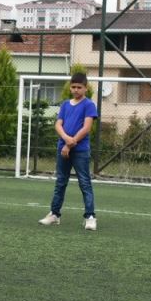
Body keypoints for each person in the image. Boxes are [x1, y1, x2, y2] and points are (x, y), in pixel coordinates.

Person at [38, 72, 98, 230]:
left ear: (85, 88)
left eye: (79, 87)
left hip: (80, 150)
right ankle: (54, 214)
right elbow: (58, 124)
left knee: (85, 183)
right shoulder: (65, 104)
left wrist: (70, 144)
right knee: (60, 182)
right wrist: (66, 139)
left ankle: (90, 217)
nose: (76, 90)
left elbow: (86, 128)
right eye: (73, 87)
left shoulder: (89, 105)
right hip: (63, 148)